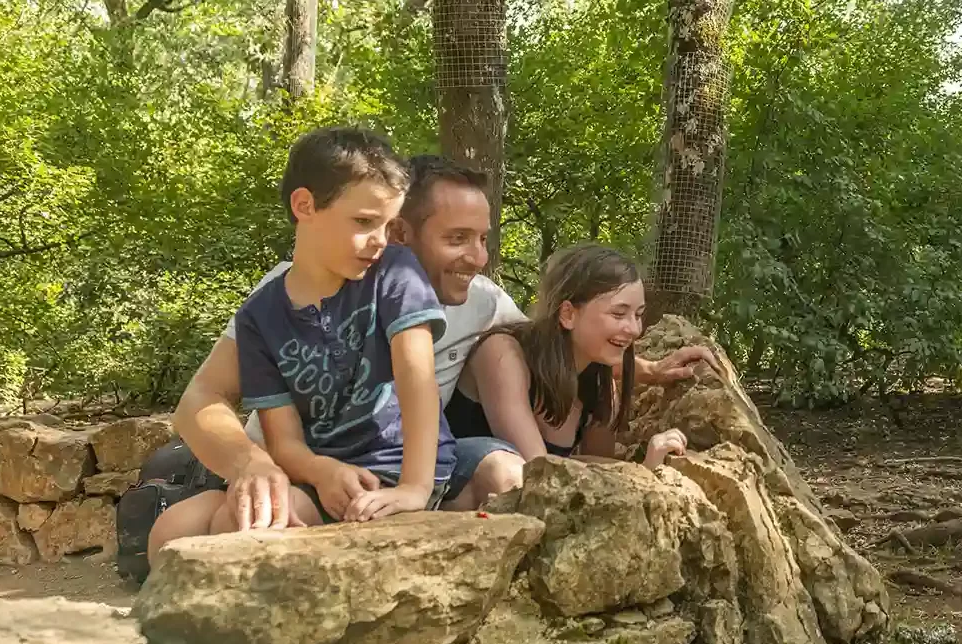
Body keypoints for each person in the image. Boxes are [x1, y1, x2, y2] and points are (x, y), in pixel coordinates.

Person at [124, 154, 714, 575]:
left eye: (484, 238)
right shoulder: (290, 295)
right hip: (297, 460)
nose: (477, 258)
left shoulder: (480, 300)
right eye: (458, 238)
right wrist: (250, 462)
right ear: (403, 231)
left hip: (404, 463)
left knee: (501, 471)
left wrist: (650, 368)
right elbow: (199, 402)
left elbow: (557, 336)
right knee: (174, 536)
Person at [218, 125, 454, 530]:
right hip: (324, 476)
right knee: (227, 523)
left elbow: (418, 379)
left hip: (404, 466)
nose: (380, 240)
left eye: (387, 224)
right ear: (305, 205)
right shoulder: (258, 316)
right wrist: (320, 471)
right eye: (364, 221)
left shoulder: (395, 272)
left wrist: (415, 487)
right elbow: (284, 440)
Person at [458, 242, 692, 498]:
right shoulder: (503, 354)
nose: (634, 329)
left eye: (638, 315)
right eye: (618, 314)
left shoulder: (600, 382)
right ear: (568, 314)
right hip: (457, 494)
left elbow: (595, 477)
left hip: (527, 500)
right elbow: (538, 475)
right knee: (507, 473)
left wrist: (641, 475)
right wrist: (640, 475)